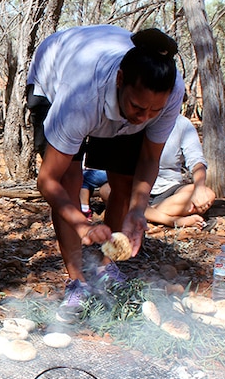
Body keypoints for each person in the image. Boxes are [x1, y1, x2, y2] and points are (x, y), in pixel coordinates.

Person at [27, 25, 185, 322]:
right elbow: (48, 180)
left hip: (108, 93)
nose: (144, 118)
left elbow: (150, 158)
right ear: (121, 80)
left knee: (124, 180)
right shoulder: (81, 97)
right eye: (138, 107)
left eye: (154, 111)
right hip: (55, 78)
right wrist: (82, 225)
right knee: (70, 180)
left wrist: (138, 210)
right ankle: (78, 283)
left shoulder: (171, 90)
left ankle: (103, 267)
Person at [99, 114, 216, 228]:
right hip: (135, 188)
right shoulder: (134, 120)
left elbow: (196, 160)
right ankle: (170, 220)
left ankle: (144, 213)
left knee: (208, 194)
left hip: (169, 189)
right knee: (107, 191)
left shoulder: (182, 124)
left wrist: (199, 188)